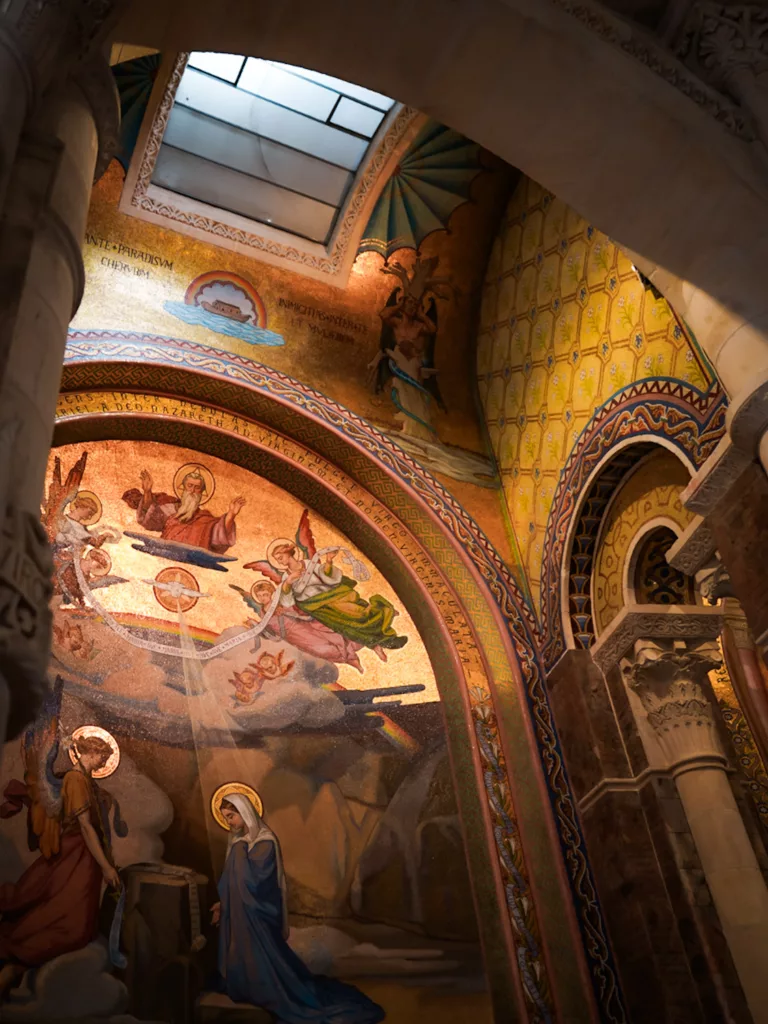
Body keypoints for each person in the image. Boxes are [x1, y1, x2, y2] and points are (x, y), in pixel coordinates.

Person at [210, 793, 384, 1023]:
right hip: (241, 914)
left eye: (232, 816)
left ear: (245, 813)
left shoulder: (264, 841)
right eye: (226, 818)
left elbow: (254, 882)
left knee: (264, 963)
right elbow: (230, 881)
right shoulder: (241, 842)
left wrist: (240, 851)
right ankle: (246, 986)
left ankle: (264, 989)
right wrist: (223, 903)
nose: (230, 822)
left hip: (257, 914)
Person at [0, 735, 122, 998]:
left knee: (80, 923)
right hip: (75, 855)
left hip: (84, 857)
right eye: (103, 755)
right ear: (91, 753)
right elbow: (86, 827)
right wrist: (107, 867)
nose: (105, 760)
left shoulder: (85, 781)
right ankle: (15, 966)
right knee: (72, 926)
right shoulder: (75, 779)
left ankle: (16, 969)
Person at [243, 581, 364, 673]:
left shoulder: (281, 603)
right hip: (293, 638)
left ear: (271, 593)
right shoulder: (262, 613)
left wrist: (285, 611)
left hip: (302, 628)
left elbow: (297, 610)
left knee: (325, 645)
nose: (262, 598)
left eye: (265, 594)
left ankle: (353, 657)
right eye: (259, 596)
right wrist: (255, 625)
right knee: (320, 652)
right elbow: (270, 633)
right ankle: (349, 660)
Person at [122, 467, 244, 553]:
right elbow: (150, 520)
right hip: (164, 557)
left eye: (197, 488)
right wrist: (147, 492)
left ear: (202, 493)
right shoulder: (171, 508)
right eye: (189, 486)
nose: (192, 490)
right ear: (183, 489)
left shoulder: (206, 519)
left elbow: (218, 536)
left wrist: (231, 515)